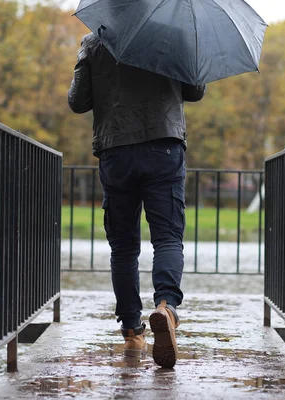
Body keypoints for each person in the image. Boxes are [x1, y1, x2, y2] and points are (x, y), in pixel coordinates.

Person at [67, 32, 206, 368]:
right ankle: (166, 308)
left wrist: (85, 56)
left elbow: (77, 101)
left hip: (116, 150)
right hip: (165, 145)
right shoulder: (174, 34)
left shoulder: (95, 40)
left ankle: (132, 333)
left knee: (124, 247)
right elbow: (195, 91)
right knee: (168, 238)